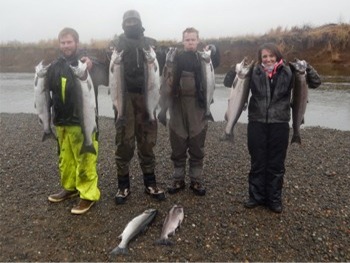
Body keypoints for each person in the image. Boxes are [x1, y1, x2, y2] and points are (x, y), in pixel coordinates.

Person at [244, 43, 321, 213]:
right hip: (256, 122)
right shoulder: (253, 71)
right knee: (257, 161)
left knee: (276, 163)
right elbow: (229, 82)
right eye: (264, 56)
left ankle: (274, 199)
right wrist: (236, 70)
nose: (268, 59)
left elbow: (316, 83)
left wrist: (306, 67)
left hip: (280, 123)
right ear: (260, 58)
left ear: (278, 56)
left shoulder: (290, 71)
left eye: (271, 56)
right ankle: (256, 197)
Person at [108, 10, 166, 204]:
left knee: (147, 142)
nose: (131, 24)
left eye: (134, 21)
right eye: (128, 21)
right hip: (123, 98)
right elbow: (103, 65)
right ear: (123, 24)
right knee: (124, 142)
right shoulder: (116, 44)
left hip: (147, 97)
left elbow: (163, 64)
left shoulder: (150, 43)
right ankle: (123, 185)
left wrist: (163, 55)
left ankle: (150, 183)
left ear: (140, 22)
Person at [46, 27, 102, 214]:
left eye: (69, 42)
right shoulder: (55, 65)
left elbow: (105, 71)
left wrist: (92, 64)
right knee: (66, 159)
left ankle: (87, 195)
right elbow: (46, 91)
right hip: (61, 121)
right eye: (63, 42)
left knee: (86, 159)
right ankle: (70, 188)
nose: (66, 45)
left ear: (76, 43)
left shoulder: (85, 63)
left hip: (82, 123)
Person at [160, 27, 220, 196]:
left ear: (198, 41)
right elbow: (165, 75)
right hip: (177, 106)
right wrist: (164, 54)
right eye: (187, 40)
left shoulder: (204, 58)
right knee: (177, 145)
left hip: (198, 107)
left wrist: (215, 50)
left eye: (193, 39)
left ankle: (196, 179)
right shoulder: (175, 57)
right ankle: (178, 179)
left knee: (196, 145)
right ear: (182, 41)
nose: (190, 42)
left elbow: (216, 61)